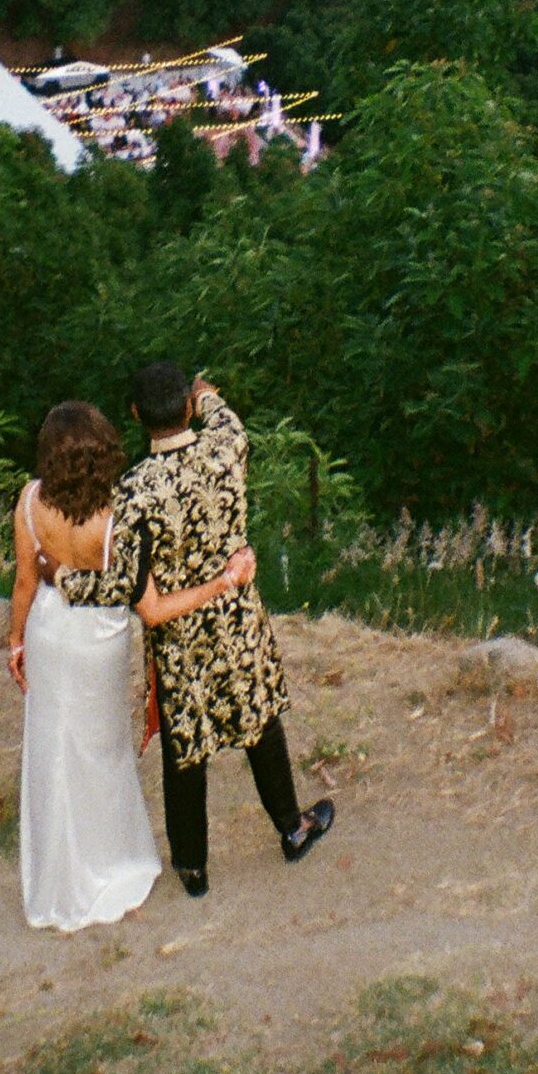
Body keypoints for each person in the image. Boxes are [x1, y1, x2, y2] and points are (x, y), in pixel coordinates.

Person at [52, 365, 333, 899]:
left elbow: (124, 585)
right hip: (237, 620)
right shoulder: (227, 446)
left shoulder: (133, 491)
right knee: (260, 723)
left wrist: (64, 580)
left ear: (135, 415)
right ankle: (292, 828)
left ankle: (193, 867)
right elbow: (221, 412)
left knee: (186, 747)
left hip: (181, 640)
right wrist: (204, 394)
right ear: (186, 405)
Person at [10, 401, 255, 934]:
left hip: (48, 632)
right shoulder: (119, 516)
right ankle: (110, 860)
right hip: (97, 642)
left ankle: (57, 876)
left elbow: (26, 582)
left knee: (53, 748)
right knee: (100, 752)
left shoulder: (29, 501)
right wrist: (224, 581)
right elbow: (153, 610)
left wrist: (15, 643)